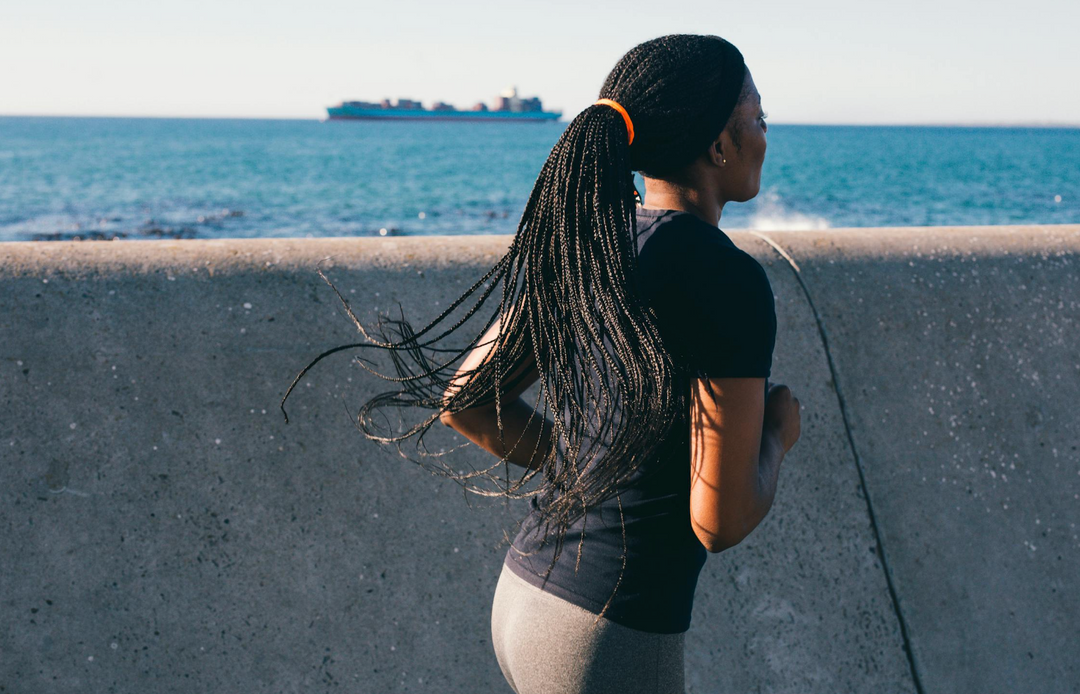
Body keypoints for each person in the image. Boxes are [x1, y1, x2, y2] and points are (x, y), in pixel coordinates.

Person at [283, 32, 801, 694]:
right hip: (609, 636)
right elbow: (720, 519)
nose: (764, 133)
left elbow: (468, 401)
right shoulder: (728, 280)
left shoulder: (594, 243)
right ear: (718, 145)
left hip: (527, 597)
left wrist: (586, 464)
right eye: (758, 116)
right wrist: (776, 440)